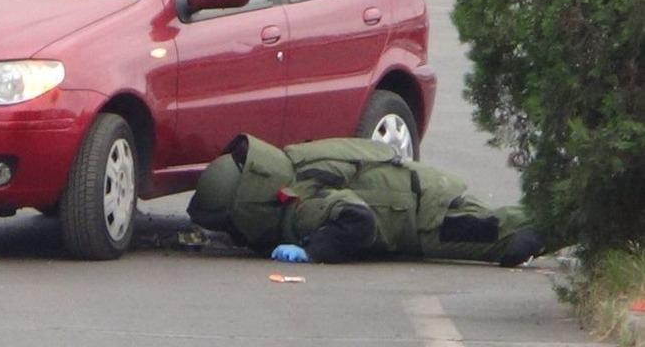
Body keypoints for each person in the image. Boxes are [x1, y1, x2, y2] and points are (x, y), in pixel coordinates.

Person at [186, 134, 545, 265]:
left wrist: (314, 251)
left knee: (510, 240)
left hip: (425, 216)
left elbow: (357, 220)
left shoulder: (300, 205)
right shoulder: (291, 166)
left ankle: (593, 218)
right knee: (510, 229)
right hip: (417, 196)